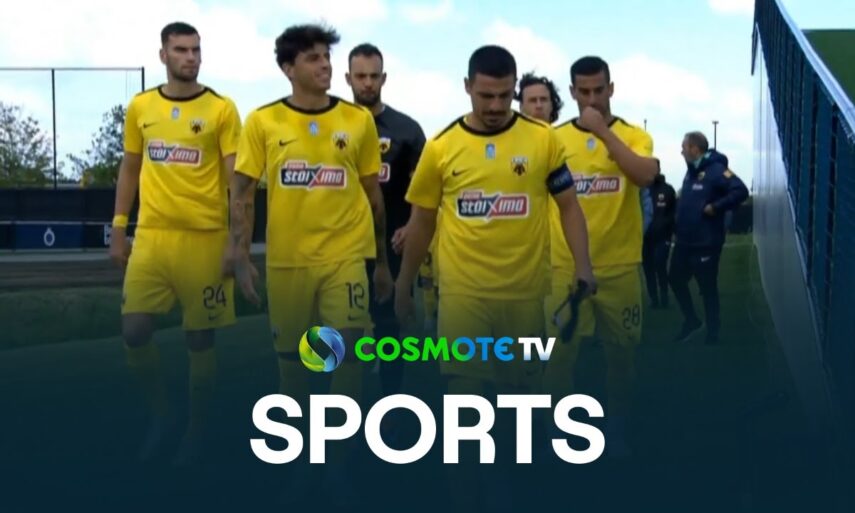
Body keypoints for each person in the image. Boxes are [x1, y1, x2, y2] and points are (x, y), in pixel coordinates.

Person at [394, 45, 595, 513]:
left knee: (512, 409)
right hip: (463, 295)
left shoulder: (543, 141)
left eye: (505, 96)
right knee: (465, 407)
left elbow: (569, 206)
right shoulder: (442, 147)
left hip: (524, 296)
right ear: (467, 87)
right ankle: (466, 499)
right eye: (485, 95)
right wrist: (404, 285)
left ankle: (501, 484)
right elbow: (421, 222)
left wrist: (584, 266)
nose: (494, 106)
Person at [226, 23, 389, 505]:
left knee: (347, 357)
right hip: (288, 264)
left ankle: (336, 466)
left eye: (326, 57)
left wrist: (380, 263)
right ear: (287, 68)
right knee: (294, 371)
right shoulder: (263, 122)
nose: (325, 66)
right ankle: (304, 466)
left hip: (345, 256)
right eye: (313, 58)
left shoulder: (357, 121)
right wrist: (240, 256)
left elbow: (374, 197)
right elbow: (242, 193)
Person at [109, 21, 242, 465]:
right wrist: (119, 226)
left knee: (199, 339)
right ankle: (162, 415)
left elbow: (237, 182)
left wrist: (236, 242)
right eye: (182, 50)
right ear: (163, 55)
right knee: (134, 330)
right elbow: (130, 167)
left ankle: (195, 430)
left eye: (196, 50)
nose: (191, 57)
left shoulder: (222, 109)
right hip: (151, 238)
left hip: (204, 240)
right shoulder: (141, 107)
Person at [542, 56, 658, 458]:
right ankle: (561, 437)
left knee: (621, 356)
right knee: (559, 358)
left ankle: (616, 430)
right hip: (565, 268)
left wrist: (604, 134)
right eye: (584, 91)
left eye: (599, 90)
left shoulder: (632, 135)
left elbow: (645, 175)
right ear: (572, 92)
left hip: (620, 267)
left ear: (611, 89)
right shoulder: (554, 139)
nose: (592, 99)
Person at [345, 42, 426, 400]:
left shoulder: (407, 130)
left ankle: (391, 403)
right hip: (342, 244)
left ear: (384, 78)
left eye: (373, 76)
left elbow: (426, 192)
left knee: (389, 326)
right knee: (342, 329)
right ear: (348, 78)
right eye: (360, 76)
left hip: (391, 244)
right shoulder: (334, 125)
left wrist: (412, 227)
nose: (367, 83)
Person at [670, 131, 748, 345]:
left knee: (707, 288)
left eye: (684, 147)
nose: (681, 152)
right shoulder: (691, 172)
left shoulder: (716, 170)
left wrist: (716, 207)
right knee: (674, 278)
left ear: (695, 149)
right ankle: (692, 320)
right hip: (684, 241)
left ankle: (713, 332)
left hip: (705, 242)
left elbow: (741, 190)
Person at [643, 164, 676, 308]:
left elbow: (674, 212)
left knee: (660, 264)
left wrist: (669, 227)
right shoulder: (642, 190)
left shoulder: (668, 190)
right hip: (645, 238)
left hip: (663, 237)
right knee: (648, 269)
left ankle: (664, 296)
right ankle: (653, 299)